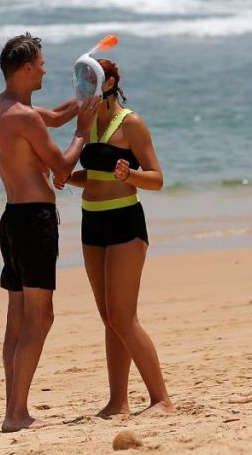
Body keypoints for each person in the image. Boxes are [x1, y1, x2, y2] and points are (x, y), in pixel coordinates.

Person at [0, 32, 99, 432]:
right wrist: (83, 131)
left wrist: (86, 99)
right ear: (28, 67)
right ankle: (16, 413)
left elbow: (50, 116)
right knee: (41, 317)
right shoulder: (24, 117)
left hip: (11, 220)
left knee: (17, 318)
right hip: (34, 223)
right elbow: (63, 168)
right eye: (43, 62)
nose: (46, 68)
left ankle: (12, 406)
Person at [57, 57, 174, 417]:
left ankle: (161, 399)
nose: (85, 85)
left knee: (124, 317)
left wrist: (130, 176)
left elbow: (156, 178)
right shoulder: (87, 123)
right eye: (81, 78)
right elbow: (91, 176)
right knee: (109, 317)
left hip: (125, 223)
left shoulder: (131, 123)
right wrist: (63, 176)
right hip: (91, 224)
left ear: (109, 83)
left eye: (90, 78)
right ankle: (117, 401)